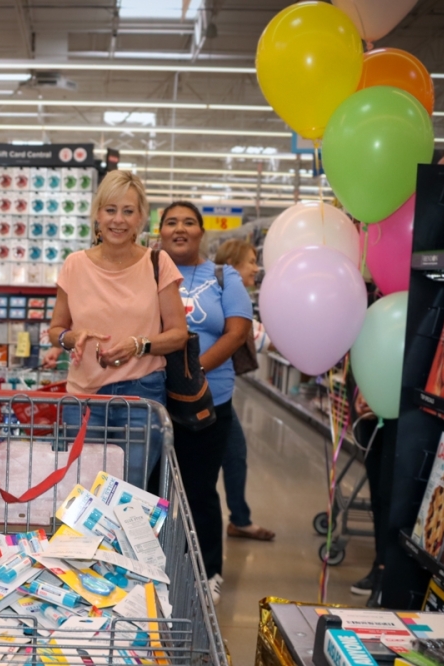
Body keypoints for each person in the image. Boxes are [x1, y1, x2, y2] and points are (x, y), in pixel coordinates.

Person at [48, 171, 188, 487]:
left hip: (142, 394)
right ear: (97, 214)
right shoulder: (75, 264)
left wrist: (140, 345)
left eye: (128, 211)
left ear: (141, 218)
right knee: (82, 492)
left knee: (129, 493)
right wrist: (71, 338)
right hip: (84, 397)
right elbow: (56, 328)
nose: (118, 220)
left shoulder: (158, 262)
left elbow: (178, 334)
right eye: (110, 210)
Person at [159, 202, 255, 606]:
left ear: (201, 232)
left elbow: (236, 333)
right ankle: (158, 566)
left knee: (199, 490)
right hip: (156, 400)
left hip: (209, 402)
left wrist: (191, 371)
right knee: (155, 490)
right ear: (160, 231)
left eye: (189, 222)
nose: (180, 229)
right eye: (171, 222)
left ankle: (208, 570)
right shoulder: (149, 273)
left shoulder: (223, 276)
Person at [212, 239, 275, 542]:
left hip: (217, 396)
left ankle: (239, 519)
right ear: (234, 265)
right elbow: (257, 336)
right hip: (207, 396)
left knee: (235, 454)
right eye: (251, 261)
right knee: (226, 457)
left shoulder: (231, 300)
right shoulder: (223, 299)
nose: (256, 267)